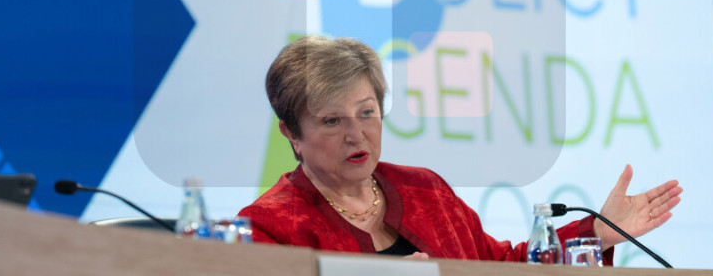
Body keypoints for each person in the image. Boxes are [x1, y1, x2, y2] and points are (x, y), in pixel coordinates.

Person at [238, 36, 682, 261]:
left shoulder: (425, 191)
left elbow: (501, 267)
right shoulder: (269, 227)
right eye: (332, 121)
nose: (357, 135)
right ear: (292, 134)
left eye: (367, 112)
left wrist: (598, 233)